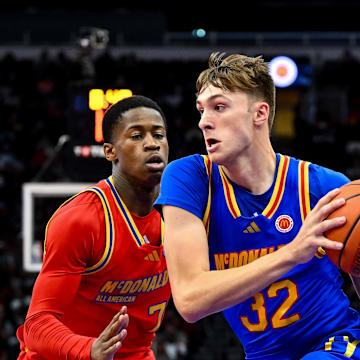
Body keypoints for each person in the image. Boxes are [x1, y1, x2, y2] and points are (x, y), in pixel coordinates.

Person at [154, 52, 360, 359]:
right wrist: (292, 253)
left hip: (334, 344)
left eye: (219, 107)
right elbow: (190, 301)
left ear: (259, 114)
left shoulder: (323, 188)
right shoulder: (190, 179)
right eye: (201, 110)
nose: (204, 122)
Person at [17, 95, 171, 359]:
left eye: (159, 134)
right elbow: (36, 326)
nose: (151, 143)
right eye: (136, 136)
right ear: (110, 151)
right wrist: (89, 349)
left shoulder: (180, 212)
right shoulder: (81, 220)